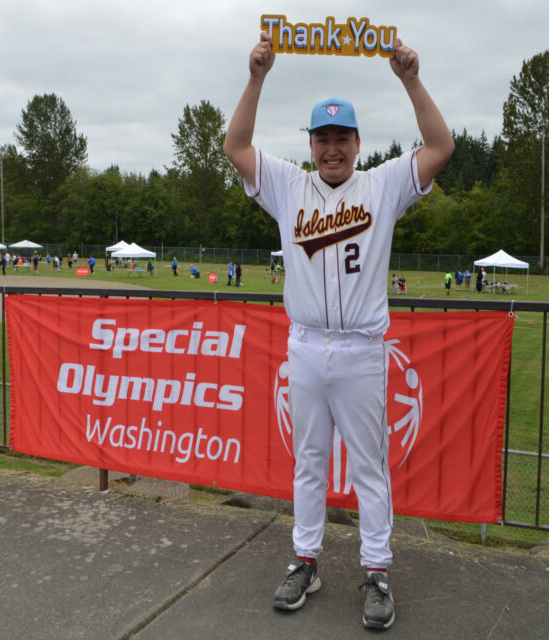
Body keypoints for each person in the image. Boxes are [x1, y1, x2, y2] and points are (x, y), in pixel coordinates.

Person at [223, 31, 453, 630]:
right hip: (304, 345)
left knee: (370, 467)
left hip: (359, 349)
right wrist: (257, 77)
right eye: (322, 139)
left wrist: (410, 79)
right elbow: (235, 144)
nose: (332, 149)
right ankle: (305, 561)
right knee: (308, 461)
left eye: (341, 139)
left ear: (357, 143)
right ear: (311, 144)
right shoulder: (287, 185)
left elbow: (440, 144)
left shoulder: (381, 184)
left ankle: (377, 571)